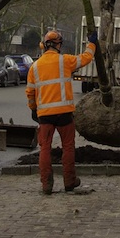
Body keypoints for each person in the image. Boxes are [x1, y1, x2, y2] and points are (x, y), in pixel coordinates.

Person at [26, 28, 97, 195]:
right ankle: (69, 181)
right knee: (68, 147)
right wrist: (92, 43)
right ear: (58, 45)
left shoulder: (34, 67)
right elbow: (86, 58)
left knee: (45, 148)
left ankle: (46, 184)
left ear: (43, 45)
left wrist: (33, 109)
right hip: (64, 113)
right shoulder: (65, 61)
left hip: (44, 115)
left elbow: (30, 92)